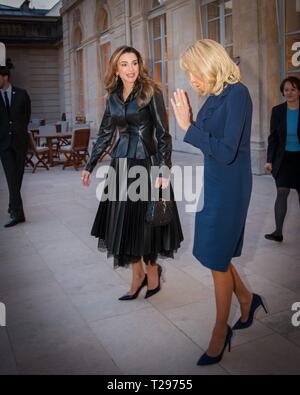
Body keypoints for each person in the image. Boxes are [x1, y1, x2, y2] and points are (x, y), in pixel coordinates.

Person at [171, 39, 267, 366]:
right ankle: (247, 298)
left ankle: (219, 330)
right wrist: (190, 121)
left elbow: (226, 151)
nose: (192, 80)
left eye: (194, 73)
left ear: (211, 65)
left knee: (215, 257)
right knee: (214, 253)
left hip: (231, 186)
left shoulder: (237, 94)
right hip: (213, 183)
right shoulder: (214, 96)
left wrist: (187, 127)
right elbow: (208, 142)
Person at [81, 46, 183, 300]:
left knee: (147, 223)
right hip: (120, 167)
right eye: (124, 64)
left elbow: (163, 134)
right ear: (116, 69)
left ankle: (152, 271)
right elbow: (105, 134)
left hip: (147, 166)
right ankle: (137, 274)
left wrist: (163, 169)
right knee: (123, 225)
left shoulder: (151, 92)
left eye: (134, 63)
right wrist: (89, 165)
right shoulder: (112, 98)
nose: (131, 69)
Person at [265, 76, 300, 242]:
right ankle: (278, 232)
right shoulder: (278, 111)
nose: (290, 93)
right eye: (286, 90)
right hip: (284, 158)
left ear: (299, 91)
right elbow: (273, 138)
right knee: (282, 192)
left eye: (293, 89)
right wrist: (269, 160)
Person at [0, 66, 31, 228]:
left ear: (5, 77)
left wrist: (18, 131)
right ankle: (19, 214)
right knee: (11, 178)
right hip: (4, 145)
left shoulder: (22, 94)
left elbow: (26, 116)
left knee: (17, 178)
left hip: (20, 143)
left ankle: (13, 206)